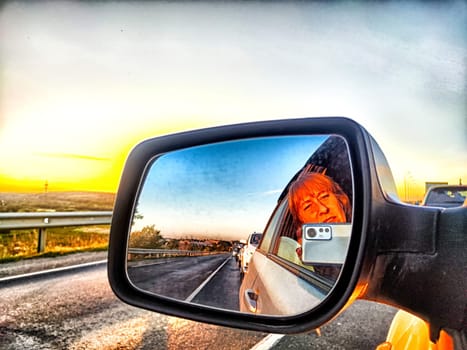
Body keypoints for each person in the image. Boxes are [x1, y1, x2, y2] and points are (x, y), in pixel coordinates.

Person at [288, 168, 352, 246]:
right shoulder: (305, 253)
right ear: (301, 223)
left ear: (340, 200)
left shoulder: (365, 228)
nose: (323, 209)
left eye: (324, 197)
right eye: (308, 206)